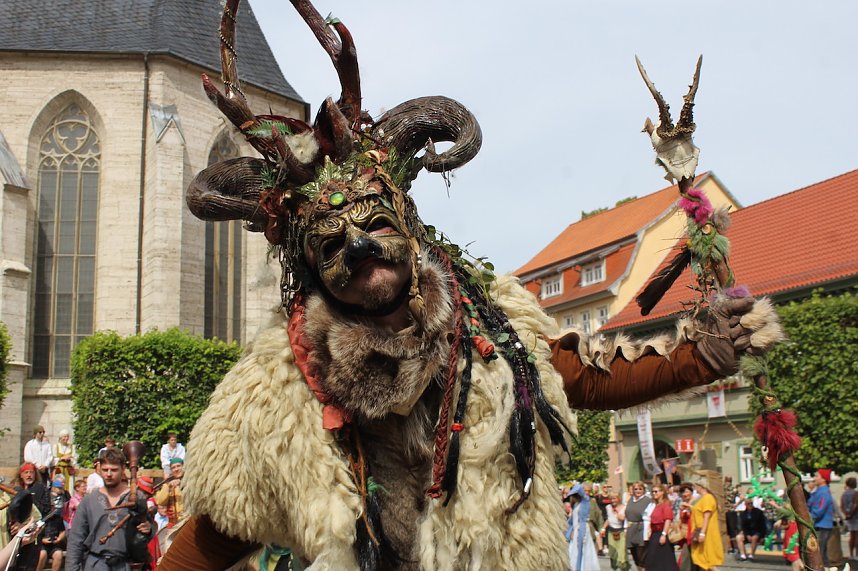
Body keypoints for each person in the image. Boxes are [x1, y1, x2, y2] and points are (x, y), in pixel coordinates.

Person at [157, 1, 784, 568]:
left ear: (408, 227)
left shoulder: (492, 323)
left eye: (375, 223)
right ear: (313, 269)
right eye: (331, 244)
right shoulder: (277, 389)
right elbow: (219, 532)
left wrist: (706, 353)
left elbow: (588, 379)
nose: (359, 246)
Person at [65, 448, 154, 571]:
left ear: (123, 469)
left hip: (125, 565)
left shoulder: (136, 498)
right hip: (95, 565)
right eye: (105, 469)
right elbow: (75, 540)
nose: (109, 474)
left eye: (114, 470)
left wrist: (148, 529)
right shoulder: (89, 500)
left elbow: (148, 529)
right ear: (99, 470)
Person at [688, 472, 724, 571]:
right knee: (702, 561)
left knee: (707, 561)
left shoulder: (708, 498)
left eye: (696, 486)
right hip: (699, 530)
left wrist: (702, 533)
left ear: (701, 487)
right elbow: (699, 511)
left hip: (706, 532)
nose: (695, 488)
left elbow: (706, 517)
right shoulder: (702, 498)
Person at [566, 484, 600, 571]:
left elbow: (582, 520)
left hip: (582, 530)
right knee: (574, 552)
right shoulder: (576, 504)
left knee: (584, 552)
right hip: (576, 531)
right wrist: (571, 531)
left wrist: (581, 533)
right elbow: (573, 520)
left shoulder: (585, 502)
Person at [37, 479, 68, 571]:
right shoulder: (41, 517)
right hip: (41, 543)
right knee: (42, 554)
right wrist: (42, 540)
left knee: (58, 554)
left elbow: (62, 531)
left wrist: (59, 538)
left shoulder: (57, 518)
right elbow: (35, 532)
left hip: (53, 543)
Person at [646, 483, 678, 570]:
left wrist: (663, 534)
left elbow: (668, 519)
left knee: (663, 559)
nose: (654, 493)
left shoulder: (665, 505)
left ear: (662, 492)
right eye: (652, 492)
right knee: (653, 558)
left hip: (661, 532)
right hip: (654, 533)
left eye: (656, 491)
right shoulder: (656, 505)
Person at [808, 468, 835, 568]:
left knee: (820, 552)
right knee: (820, 552)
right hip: (819, 525)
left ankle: (825, 568)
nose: (814, 479)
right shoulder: (818, 491)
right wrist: (812, 491)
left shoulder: (824, 492)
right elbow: (809, 504)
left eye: (817, 476)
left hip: (823, 526)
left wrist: (809, 517)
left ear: (823, 479)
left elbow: (819, 510)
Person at [625, 481, 652, 571]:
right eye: (636, 489)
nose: (638, 491)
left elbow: (649, 516)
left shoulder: (647, 500)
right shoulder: (630, 500)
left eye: (640, 489)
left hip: (641, 529)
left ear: (643, 490)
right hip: (631, 529)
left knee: (642, 555)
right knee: (635, 555)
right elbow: (626, 515)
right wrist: (625, 528)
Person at [601, 493, 628, 571]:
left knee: (622, 555)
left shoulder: (624, 507)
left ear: (619, 499)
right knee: (613, 555)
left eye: (615, 498)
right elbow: (609, 519)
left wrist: (618, 514)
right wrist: (603, 529)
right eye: (611, 499)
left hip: (621, 532)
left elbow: (625, 520)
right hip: (611, 532)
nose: (613, 501)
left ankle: (624, 568)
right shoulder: (608, 507)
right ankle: (615, 568)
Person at [154, 458, 184, 526]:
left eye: (178, 466)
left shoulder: (190, 481)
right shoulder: (167, 484)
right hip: (174, 523)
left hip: (188, 521)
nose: (176, 469)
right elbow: (160, 502)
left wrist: (182, 483)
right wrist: (168, 486)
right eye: (173, 467)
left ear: (183, 467)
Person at [735, 496, 767, 561]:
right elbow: (744, 526)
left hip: (757, 531)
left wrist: (763, 536)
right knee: (738, 537)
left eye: (751, 503)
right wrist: (747, 535)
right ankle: (743, 555)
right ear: (745, 505)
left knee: (754, 538)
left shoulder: (758, 512)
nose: (750, 505)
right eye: (748, 504)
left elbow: (763, 525)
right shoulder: (743, 514)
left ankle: (751, 555)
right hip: (748, 532)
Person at [676, 483, 694, 571]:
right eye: (683, 492)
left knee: (687, 559)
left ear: (691, 492)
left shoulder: (695, 502)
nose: (684, 494)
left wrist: (690, 508)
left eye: (686, 491)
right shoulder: (683, 504)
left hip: (693, 533)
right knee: (687, 558)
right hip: (686, 534)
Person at [841, 476, 857, 561]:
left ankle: (851, 554)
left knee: (851, 536)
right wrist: (851, 514)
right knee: (856, 536)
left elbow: (842, 506)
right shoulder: (856, 493)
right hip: (856, 517)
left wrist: (846, 514)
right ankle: (856, 554)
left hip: (848, 518)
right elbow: (856, 505)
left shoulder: (844, 494)